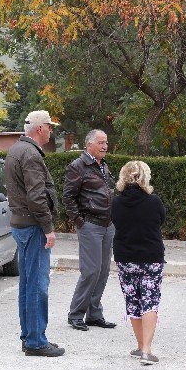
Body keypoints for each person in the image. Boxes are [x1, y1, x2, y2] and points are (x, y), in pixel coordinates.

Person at [5, 110, 65, 357]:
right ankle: (36, 341)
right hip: (32, 226)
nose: (52, 131)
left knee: (28, 284)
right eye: (50, 127)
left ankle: (30, 337)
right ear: (40, 128)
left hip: (23, 225)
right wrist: (48, 228)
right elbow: (37, 196)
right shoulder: (30, 154)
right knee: (37, 285)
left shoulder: (17, 149)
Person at [111, 161, 166, 366]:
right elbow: (161, 220)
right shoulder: (154, 201)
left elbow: (115, 222)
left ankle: (140, 345)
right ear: (145, 177)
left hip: (125, 258)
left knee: (133, 302)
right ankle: (147, 350)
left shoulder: (116, 203)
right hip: (151, 257)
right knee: (150, 302)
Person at [62, 129, 116, 331]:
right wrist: (79, 221)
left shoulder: (103, 166)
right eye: (101, 142)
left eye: (106, 142)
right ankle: (76, 314)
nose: (105, 146)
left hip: (107, 225)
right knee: (91, 271)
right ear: (89, 144)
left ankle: (94, 314)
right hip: (90, 225)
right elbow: (68, 197)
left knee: (103, 271)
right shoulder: (78, 166)